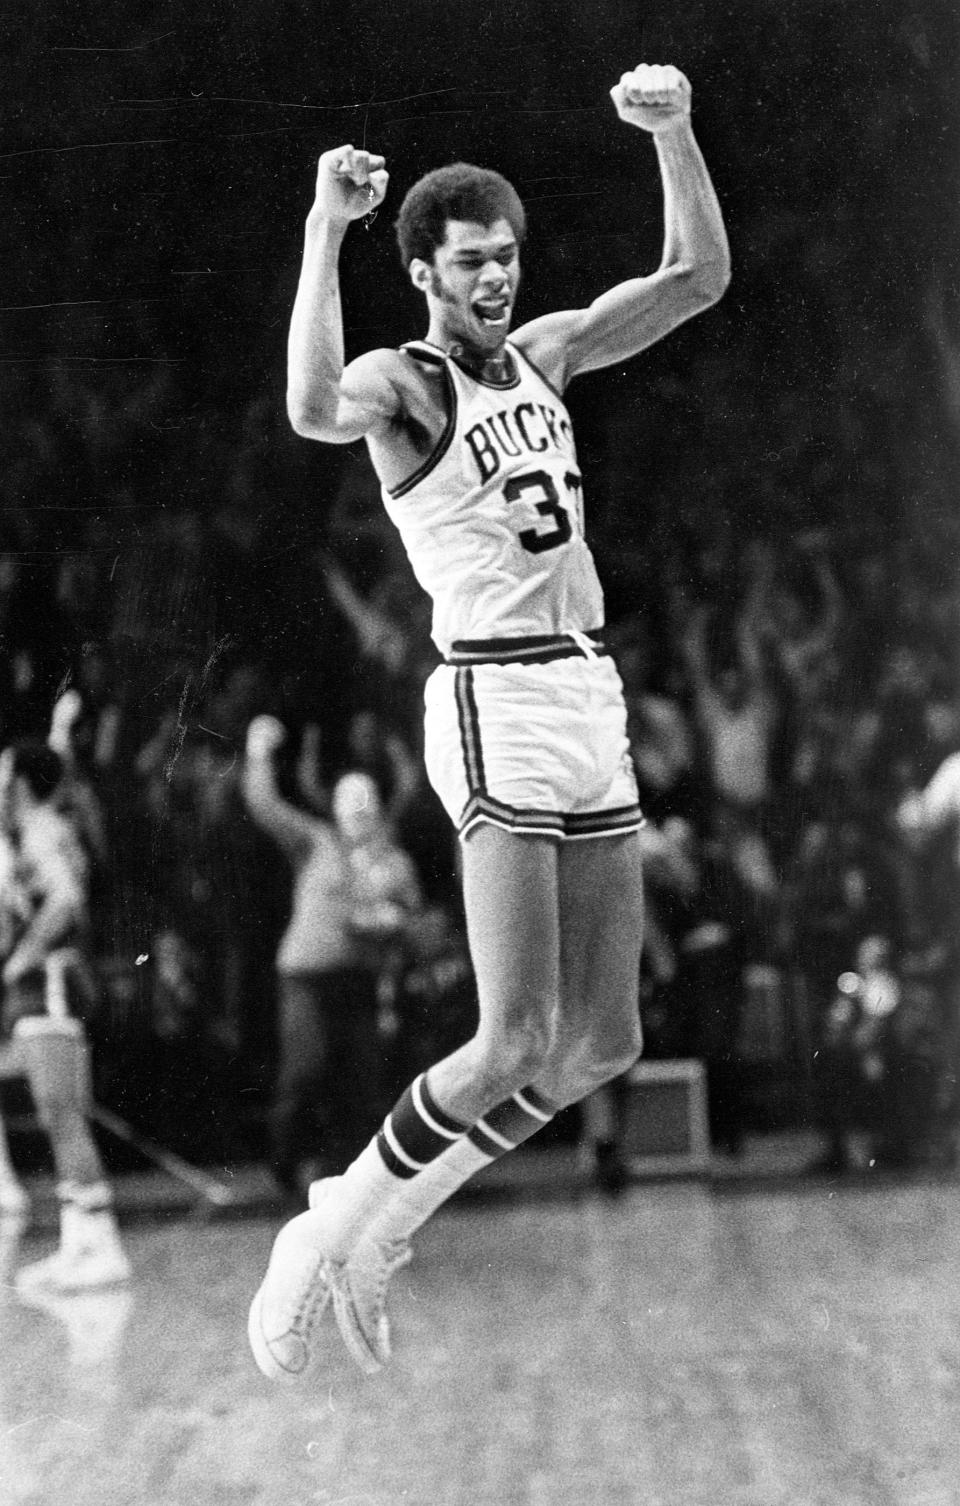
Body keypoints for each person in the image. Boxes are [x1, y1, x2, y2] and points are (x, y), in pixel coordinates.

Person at [248, 61, 729, 1380]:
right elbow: (304, 407)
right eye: (471, 263)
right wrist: (323, 229)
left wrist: (675, 134)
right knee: (514, 1035)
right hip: (492, 694)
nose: (496, 279)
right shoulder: (406, 387)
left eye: (507, 257)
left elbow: (695, 279)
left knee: (607, 1040)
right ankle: (325, 1230)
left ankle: (375, 1223)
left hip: (587, 686)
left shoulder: (550, 351)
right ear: (427, 273)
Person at [0, 741, 130, 1292]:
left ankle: (101, 1248)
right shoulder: (42, 827)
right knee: (59, 1113)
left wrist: (18, 962)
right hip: (50, 983)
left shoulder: (40, 829)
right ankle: (80, 1244)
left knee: (62, 1112)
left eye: (4, 775)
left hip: (48, 982)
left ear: (21, 783)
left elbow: (67, 901)